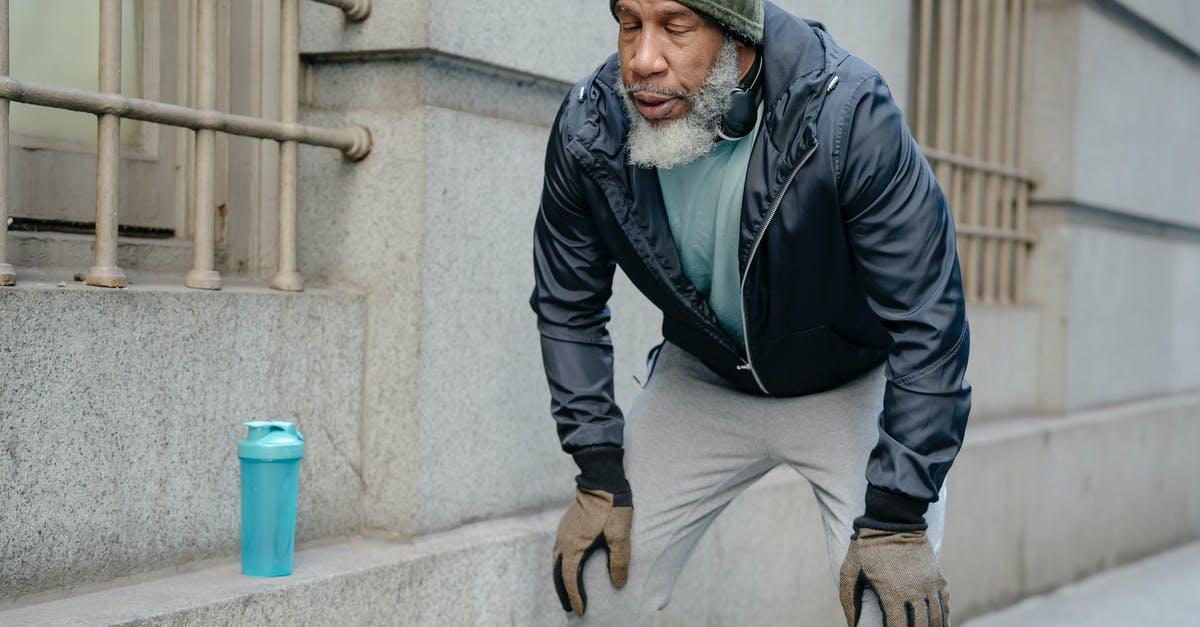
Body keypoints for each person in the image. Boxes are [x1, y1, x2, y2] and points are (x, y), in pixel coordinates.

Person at [529, 1, 971, 624]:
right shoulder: (590, 125)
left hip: (849, 382)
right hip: (704, 377)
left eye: (675, 28)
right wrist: (596, 463)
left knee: (889, 606)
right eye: (630, 23)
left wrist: (899, 519)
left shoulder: (848, 115)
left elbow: (930, 322)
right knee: (599, 584)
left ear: (740, 34)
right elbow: (567, 303)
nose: (642, 59)